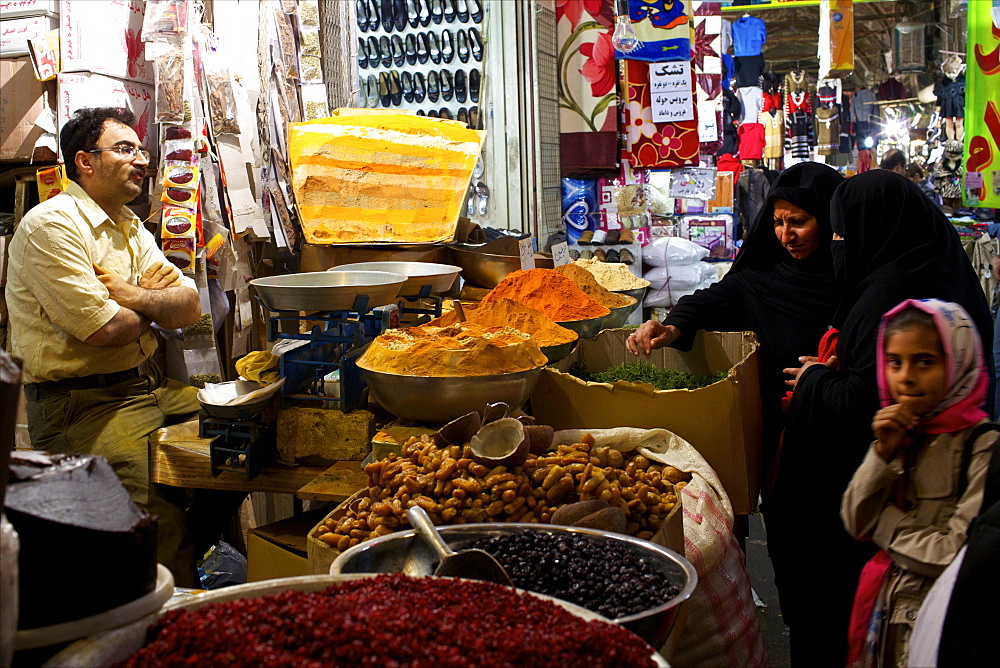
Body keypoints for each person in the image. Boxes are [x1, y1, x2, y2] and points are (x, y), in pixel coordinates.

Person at [778, 169, 994, 666]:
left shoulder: (894, 296)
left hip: (912, 574)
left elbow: (867, 406)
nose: (837, 246)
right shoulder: (933, 266)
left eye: (841, 234)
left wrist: (814, 382)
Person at [6, 107, 203, 586]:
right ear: (85, 162)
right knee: (159, 524)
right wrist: (155, 307)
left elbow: (190, 306)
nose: (141, 159)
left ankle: (185, 573)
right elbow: (104, 330)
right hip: (83, 405)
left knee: (242, 442)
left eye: (140, 149)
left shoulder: (130, 225)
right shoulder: (51, 227)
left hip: (149, 390)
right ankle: (159, 630)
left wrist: (135, 296)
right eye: (124, 148)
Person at [840, 299, 995, 667]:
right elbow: (854, 518)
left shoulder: (982, 445)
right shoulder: (900, 430)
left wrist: (886, 524)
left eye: (924, 361)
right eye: (894, 362)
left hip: (937, 623)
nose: (906, 377)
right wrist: (882, 454)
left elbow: (955, 555)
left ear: (957, 361)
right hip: (887, 613)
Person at [933, 140, 964, 212]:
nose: (952, 155)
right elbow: (938, 177)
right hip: (946, 188)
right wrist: (937, 187)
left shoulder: (962, 164)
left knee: (958, 207)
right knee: (946, 207)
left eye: (955, 153)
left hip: (959, 189)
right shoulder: (942, 165)